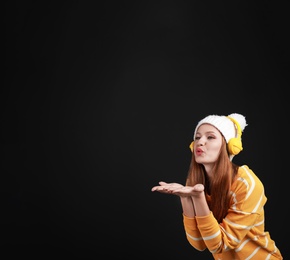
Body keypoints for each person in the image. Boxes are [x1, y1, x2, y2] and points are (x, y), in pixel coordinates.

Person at [151, 113, 283, 259]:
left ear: (230, 146)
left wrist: (198, 197)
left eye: (210, 137)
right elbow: (199, 244)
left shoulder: (247, 185)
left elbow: (220, 244)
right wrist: (185, 198)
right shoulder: (196, 182)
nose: (200, 142)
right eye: (197, 137)